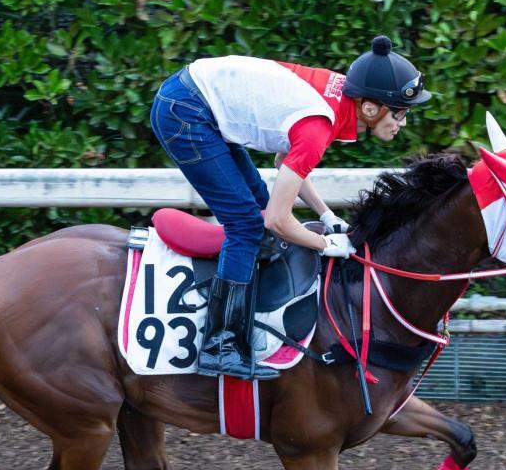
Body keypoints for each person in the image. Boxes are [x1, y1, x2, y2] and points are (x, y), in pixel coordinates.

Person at [150, 35, 431, 380]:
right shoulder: (319, 125)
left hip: (195, 100)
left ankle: (244, 318)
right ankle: (218, 346)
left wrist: (327, 216)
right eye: (401, 112)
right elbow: (278, 219)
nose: (403, 122)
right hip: (187, 111)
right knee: (247, 226)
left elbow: (286, 159)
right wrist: (326, 244)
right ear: (371, 108)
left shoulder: (342, 99)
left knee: (256, 212)